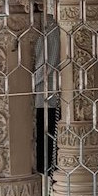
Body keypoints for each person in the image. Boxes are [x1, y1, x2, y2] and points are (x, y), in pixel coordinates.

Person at [34, 12, 60, 175]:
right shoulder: (42, 29)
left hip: (45, 95)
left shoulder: (49, 30)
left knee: (47, 139)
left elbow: (44, 67)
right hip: (42, 95)